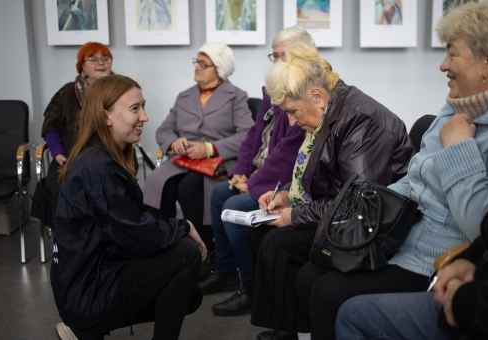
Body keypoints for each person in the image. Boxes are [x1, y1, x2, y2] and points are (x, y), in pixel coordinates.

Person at [294, 2, 488, 340]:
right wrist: (362, 213)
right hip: (403, 240)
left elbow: (486, 226)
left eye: (452, 54)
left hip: (440, 258)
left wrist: (460, 149)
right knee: (313, 270)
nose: (443, 65)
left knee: (330, 291)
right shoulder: (457, 106)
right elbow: (414, 180)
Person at [251, 48, 414, 340]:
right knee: (275, 242)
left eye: (292, 111)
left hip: (373, 227)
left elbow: (357, 202)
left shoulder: (363, 121)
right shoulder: (331, 111)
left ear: (316, 96)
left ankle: (291, 329)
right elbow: (327, 180)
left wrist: (296, 215)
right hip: (348, 215)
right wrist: (289, 195)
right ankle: (288, 329)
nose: (290, 121)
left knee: (282, 246)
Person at [51, 74, 207, 340]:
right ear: (106, 116)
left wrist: (174, 229)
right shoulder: (98, 167)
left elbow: (130, 222)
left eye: (143, 107)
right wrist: (184, 226)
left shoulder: (99, 155)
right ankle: (84, 329)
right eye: (135, 109)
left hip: (86, 280)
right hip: (86, 295)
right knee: (186, 254)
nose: (145, 117)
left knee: (189, 290)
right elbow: (135, 234)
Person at [202, 27, 311, 317]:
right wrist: (239, 172)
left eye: (280, 55)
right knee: (218, 195)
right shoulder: (274, 87)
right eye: (272, 55)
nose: (274, 61)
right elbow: (254, 135)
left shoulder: (307, 92)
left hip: (284, 182)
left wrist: (251, 185)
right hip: (258, 175)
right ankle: (226, 271)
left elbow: (290, 152)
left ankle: (251, 289)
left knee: (234, 205)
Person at [143, 42, 253, 251]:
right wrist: (174, 142)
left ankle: (205, 248)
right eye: (197, 62)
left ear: (219, 69)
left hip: (217, 163)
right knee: (159, 182)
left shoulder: (236, 96)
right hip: (183, 160)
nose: (197, 67)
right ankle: (164, 241)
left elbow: (248, 135)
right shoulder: (184, 97)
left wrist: (210, 148)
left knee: (189, 187)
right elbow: (163, 131)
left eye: (204, 64)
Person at [32, 41, 113, 237]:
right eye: (92, 59)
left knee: (107, 187)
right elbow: (51, 125)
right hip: (70, 158)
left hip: (110, 157)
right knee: (62, 186)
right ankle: (69, 240)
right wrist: (57, 151)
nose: (100, 63)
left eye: (105, 58)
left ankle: (106, 239)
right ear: (81, 66)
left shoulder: (121, 89)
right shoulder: (67, 92)